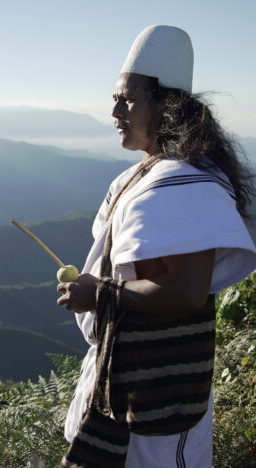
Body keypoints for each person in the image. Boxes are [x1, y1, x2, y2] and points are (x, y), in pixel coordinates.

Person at [56, 25, 256, 468]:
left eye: (127, 99)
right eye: (114, 97)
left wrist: (98, 293)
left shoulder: (182, 186)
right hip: (132, 387)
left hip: (157, 403)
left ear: (166, 105)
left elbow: (186, 291)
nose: (114, 110)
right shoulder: (152, 174)